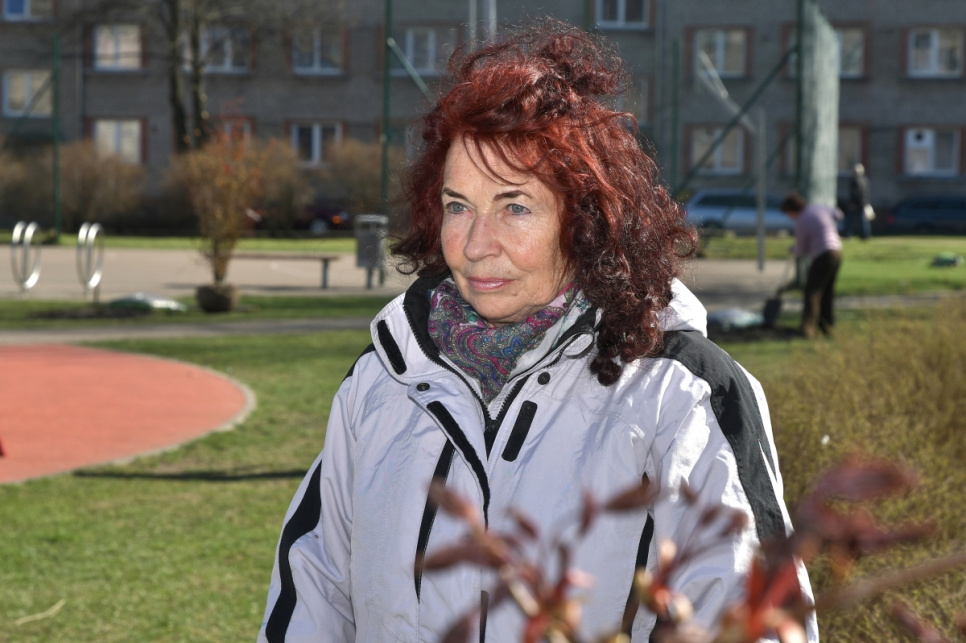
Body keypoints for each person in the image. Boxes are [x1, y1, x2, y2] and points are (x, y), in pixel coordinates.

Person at [259, 21, 817, 643]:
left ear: (585, 221)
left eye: (515, 207)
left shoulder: (679, 395)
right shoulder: (382, 380)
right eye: (458, 206)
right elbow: (314, 595)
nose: (475, 244)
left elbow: (749, 620)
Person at [781, 191, 843, 339]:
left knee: (811, 291)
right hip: (837, 251)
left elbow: (801, 248)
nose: (789, 217)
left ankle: (807, 330)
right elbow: (838, 214)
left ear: (792, 210)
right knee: (827, 291)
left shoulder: (802, 220)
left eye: (788, 213)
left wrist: (793, 249)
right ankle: (827, 327)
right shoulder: (819, 209)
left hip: (823, 255)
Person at [847, 163, 872, 240]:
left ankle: (848, 234)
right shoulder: (865, 180)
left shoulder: (855, 181)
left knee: (851, 220)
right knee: (864, 220)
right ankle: (866, 235)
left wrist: (852, 203)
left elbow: (855, 193)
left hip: (856, 203)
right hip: (865, 202)